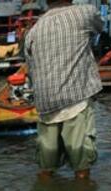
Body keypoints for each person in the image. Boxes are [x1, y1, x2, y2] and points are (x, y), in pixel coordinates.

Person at [24, 0, 103, 180]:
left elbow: (31, 69)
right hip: (75, 101)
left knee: (46, 169)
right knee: (81, 169)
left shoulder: (33, 31)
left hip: (45, 106)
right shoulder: (84, 14)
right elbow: (99, 27)